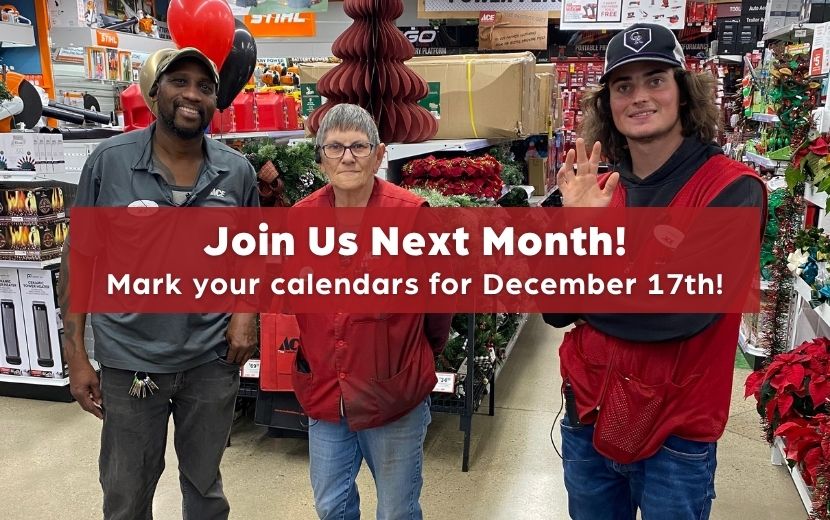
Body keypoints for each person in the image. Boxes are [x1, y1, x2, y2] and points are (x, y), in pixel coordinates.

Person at [544, 24, 766, 520]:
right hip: (587, 413)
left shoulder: (732, 190)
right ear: (609, 104)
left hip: (676, 434)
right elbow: (554, 310)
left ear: (684, 94)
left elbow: (675, 315)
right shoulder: (593, 190)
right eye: (624, 86)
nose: (639, 97)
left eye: (655, 81)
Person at [59, 48, 259, 520]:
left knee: (205, 486)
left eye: (205, 87)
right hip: (131, 361)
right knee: (127, 491)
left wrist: (245, 315)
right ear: (154, 94)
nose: (192, 95)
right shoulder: (109, 163)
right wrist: (76, 356)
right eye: (179, 82)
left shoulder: (236, 172)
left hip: (212, 359)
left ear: (216, 102)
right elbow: (80, 262)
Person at [291, 103, 452, 520]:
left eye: (359, 146)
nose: (347, 157)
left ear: (380, 155)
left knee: (397, 510)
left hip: (392, 391)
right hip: (327, 392)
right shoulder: (300, 219)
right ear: (320, 156)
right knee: (331, 505)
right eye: (335, 147)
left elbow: (438, 304)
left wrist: (413, 352)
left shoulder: (412, 217)